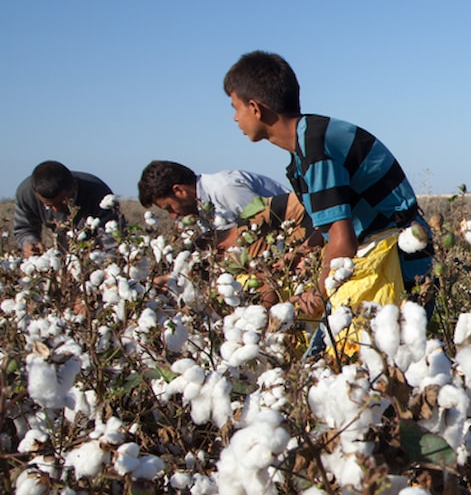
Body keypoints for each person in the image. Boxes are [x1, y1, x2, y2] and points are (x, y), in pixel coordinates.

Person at [221, 51, 433, 320]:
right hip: (386, 255)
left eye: (235, 108)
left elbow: (343, 241)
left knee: (353, 341)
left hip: (400, 263)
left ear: (255, 108)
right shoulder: (307, 143)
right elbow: (333, 227)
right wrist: (300, 253)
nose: (235, 118)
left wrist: (318, 294)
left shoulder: (315, 149)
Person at [137, 160, 317, 253]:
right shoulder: (203, 210)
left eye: (170, 208)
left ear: (179, 191)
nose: (173, 215)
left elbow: (264, 232)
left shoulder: (227, 190)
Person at [13, 161, 123, 257]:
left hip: (94, 250)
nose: (56, 210)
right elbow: (23, 229)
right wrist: (29, 242)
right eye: (49, 206)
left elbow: (114, 241)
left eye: (62, 203)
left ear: (74, 186)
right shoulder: (26, 193)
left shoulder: (99, 195)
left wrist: (109, 264)